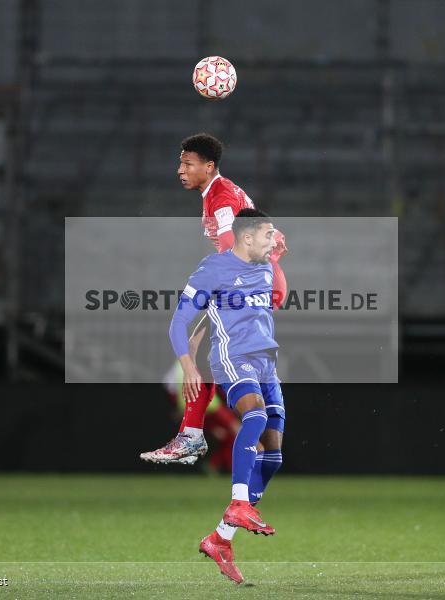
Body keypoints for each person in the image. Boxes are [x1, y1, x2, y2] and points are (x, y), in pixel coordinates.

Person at [140, 134, 288, 465]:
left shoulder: (220, 200)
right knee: (205, 352)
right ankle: (240, 438)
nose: (180, 169)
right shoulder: (222, 192)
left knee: (203, 349)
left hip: (251, 286)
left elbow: (227, 246)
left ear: (208, 167)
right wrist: (274, 237)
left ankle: (198, 436)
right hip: (261, 281)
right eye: (180, 162)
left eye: (187, 164)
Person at [168, 209, 286, 584]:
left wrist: (278, 258)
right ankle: (238, 502)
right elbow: (179, 321)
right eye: (269, 235)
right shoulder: (213, 269)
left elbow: (277, 295)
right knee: (254, 416)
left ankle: (221, 538)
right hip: (233, 359)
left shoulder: (266, 265)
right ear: (247, 237)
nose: (274, 239)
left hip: (267, 362)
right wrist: (188, 365)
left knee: (273, 457)